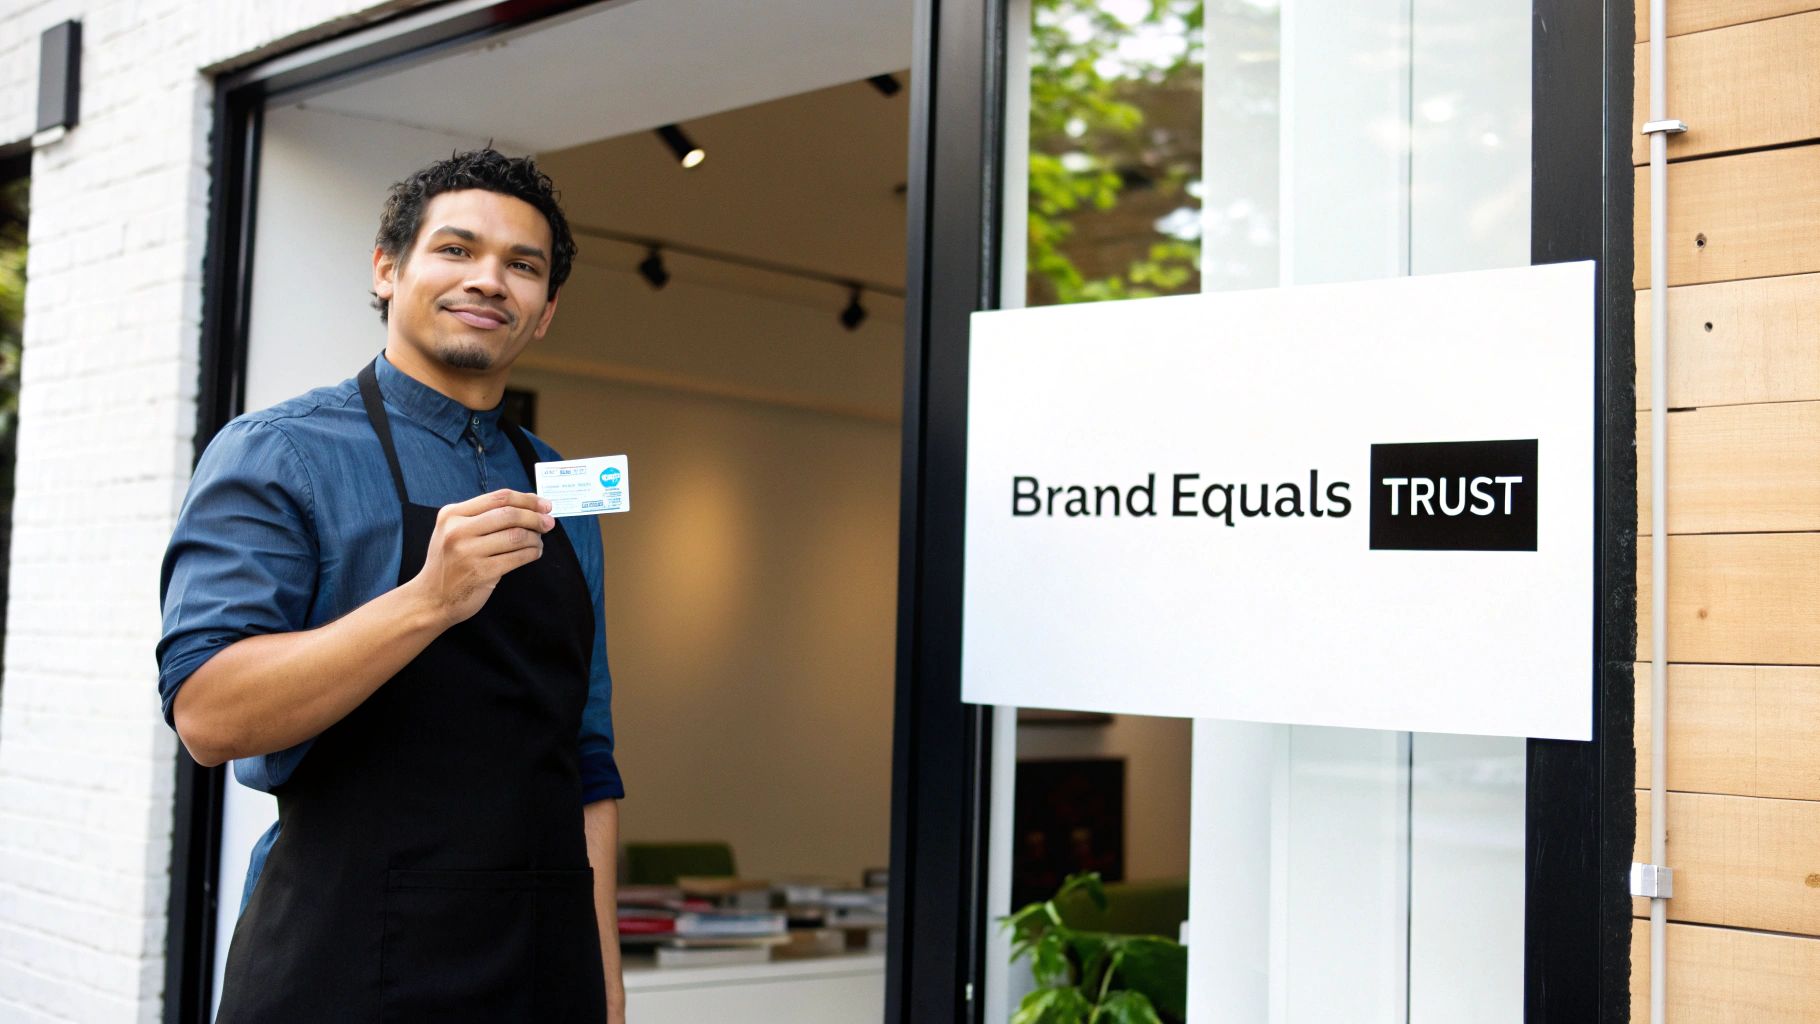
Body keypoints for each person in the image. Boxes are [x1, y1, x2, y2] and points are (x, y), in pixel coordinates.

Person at [156, 148, 626, 1022]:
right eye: (457, 250)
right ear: (388, 269)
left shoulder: (563, 484)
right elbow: (209, 718)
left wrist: (605, 986)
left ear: (546, 309)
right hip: (346, 964)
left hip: (541, 970)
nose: (490, 280)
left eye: (522, 266)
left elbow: (587, 759)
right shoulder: (280, 454)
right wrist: (428, 600)